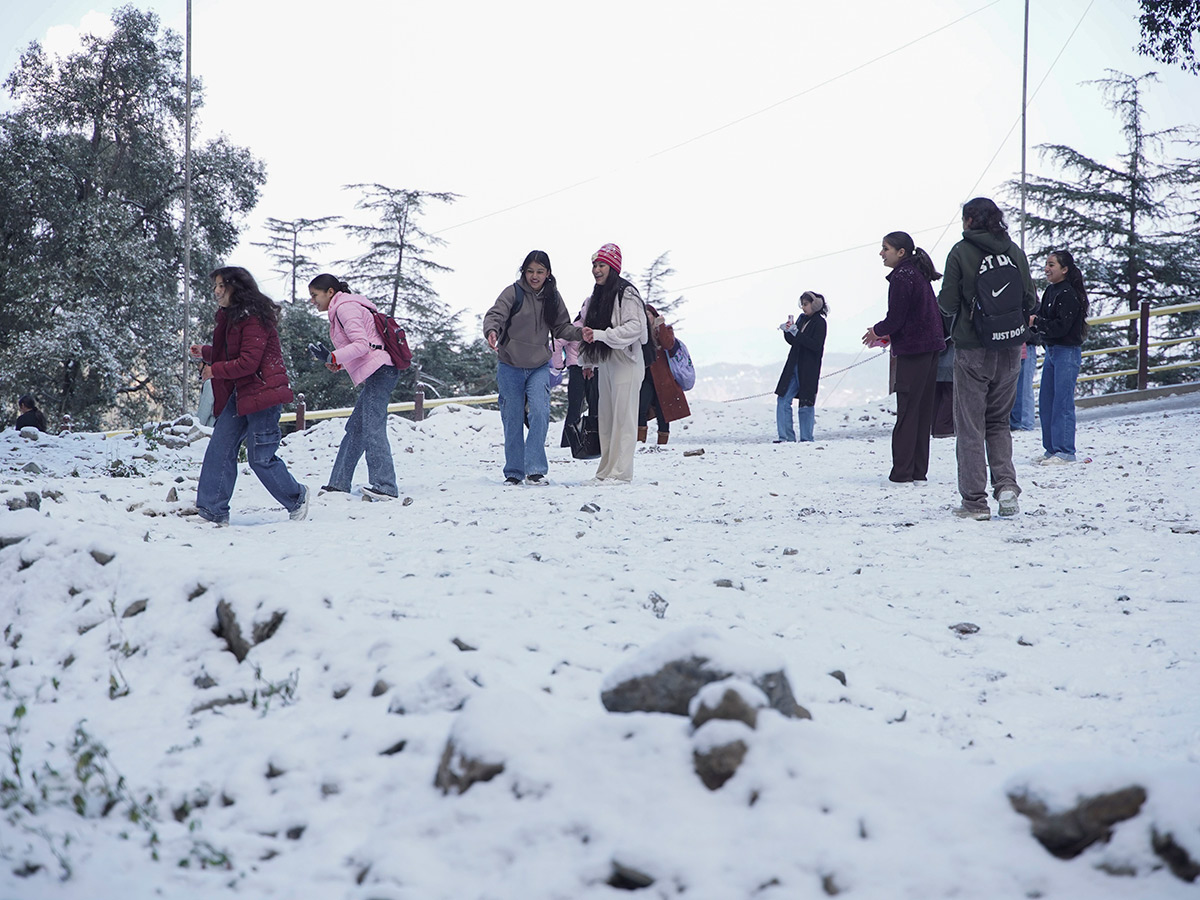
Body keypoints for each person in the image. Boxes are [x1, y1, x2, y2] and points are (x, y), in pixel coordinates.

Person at [937, 197, 1037, 520]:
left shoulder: (960, 252)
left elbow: (948, 303)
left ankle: (975, 502)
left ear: (968, 220)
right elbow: (1030, 299)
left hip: (973, 349)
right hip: (1010, 349)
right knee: (998, 421)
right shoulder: (1013, 251)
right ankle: (1006, 486)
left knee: (969, 425)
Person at [189, 267, 308, 525]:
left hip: (264, 393)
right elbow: (233, 352)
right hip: (241, 392)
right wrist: (207, 352)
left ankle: (296, 496)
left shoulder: (254, 318)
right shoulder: (232, 317)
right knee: (220, 447)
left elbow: (248, 362)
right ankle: (213, 511)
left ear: (237, 288)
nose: (217, 292)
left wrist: (214, 370)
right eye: (215, 287)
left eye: (222, 286)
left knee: (260, 458)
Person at [483, 250, 583, 485]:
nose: (535, 276)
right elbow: (495, 314)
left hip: (539, 365)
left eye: (540, 271)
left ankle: (535, 469)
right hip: (510, 365)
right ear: (524, 272)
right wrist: (492, 330)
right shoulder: (513, 292)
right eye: (530, 271)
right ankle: (514, 473)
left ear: (548, 273)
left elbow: (561, 328)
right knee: (513, 418)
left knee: (539, 412)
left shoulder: (553, 297)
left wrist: (581, 333)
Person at [307, 274, 401, 499]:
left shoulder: (345, 308)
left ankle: (385, 486)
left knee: (372, 426)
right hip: (379, 369)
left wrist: (332, 356)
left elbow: (362, 345)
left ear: (330, 292)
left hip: (381, 370)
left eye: (314, 295)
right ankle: (339, 483)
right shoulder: (343, 308)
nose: (312, 301)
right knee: (357, 428)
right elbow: (368, 344)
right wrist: (336, 362)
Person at [863, 232, 946, 483]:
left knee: (908, 411)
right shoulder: (917, 273)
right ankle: (918, 471)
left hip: (914, 351)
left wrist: (877, 331)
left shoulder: (902, 276)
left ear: (901, 252)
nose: (881, 253)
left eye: (885, 248)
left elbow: (896, 318)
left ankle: (902, 473)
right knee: (921, 411)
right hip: (930, 348)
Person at [578, 243, 647, 482]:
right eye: (595, 265)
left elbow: (636, 328)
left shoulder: (626, 293)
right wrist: (587, 360)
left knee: (624, 418)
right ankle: (605, 470)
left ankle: (621, 473)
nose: (597, 270)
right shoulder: (598, 295)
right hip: (606, 361)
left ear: (613, 267)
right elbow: (589, 329)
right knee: (606, 418)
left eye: (602, 265)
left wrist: (602, 335)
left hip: (626, 360)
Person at [1030, 249, 1088, 465]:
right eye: (1046, 264)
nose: (1047, 268)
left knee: (1062, 402)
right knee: (1047, 401)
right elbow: (1045, 320)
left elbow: (1061, 326)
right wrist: (1037, 324)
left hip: (1067, 352)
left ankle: (1065, 450)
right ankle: (1051, 448)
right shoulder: (1051, 292)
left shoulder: (1068, 294)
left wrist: (1037, 323)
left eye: (1052, 265)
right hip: (1052, 351)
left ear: (1064, 269)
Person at [774, 291, 828, 442]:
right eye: (802, 304)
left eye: (806, 304)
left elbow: (815, 346)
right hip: (794, 364)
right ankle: (785, 437)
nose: (803, 308)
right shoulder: (802, 319)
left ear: (815, 304)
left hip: (808, 368)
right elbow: (794, 341)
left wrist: (796, 333)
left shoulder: (820, 323)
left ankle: (806, 438)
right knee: (783, 398)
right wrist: (787, 332)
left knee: (806, 403)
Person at [637, 303, 690, 445]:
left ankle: (662, 444)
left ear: (654, 316)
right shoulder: (639, 332)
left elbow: (668, 344)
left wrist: (660, 326)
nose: (646, 317)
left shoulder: (665, 330)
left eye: (648, 314)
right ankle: (639, 442)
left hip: (663, 378)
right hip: (645, 377)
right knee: (640, 407)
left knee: (663, 412)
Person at [1009, 337, 1037, 431]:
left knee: (1024, 389)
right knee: (1010, 390)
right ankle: (1016, 422)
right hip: (1010, 348)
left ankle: (1024, 424)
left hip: (1024, 346)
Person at [196, 362, 217, 427]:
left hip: (212, 424)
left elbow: (205, 407)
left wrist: (197, 426)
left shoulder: (209, 383)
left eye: (201, 371)